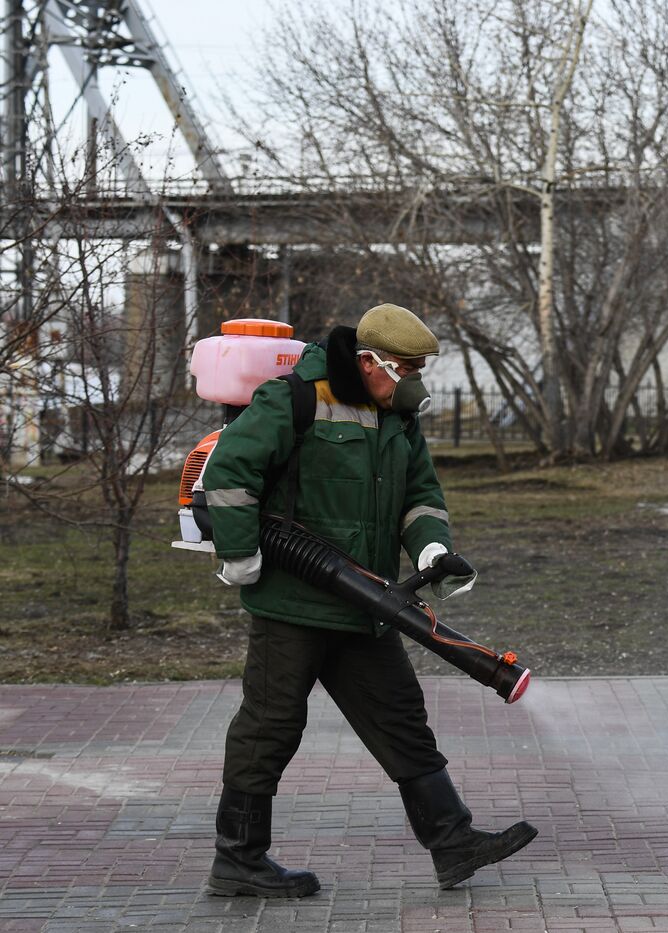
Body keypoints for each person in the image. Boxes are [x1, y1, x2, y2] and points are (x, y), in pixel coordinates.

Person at [201, 303, 536, 898]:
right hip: (293, 607)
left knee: (401, 717)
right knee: (270, 726)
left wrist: (431, 551)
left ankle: (453, 843)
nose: (414, 381)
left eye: (419, 368)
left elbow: (420, 494)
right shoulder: (295, 398)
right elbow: (229, 471)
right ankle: (239, 860)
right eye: (405, 368)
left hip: (365, 603)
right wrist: (238, 552)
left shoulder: (397, 418)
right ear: (368, 361)